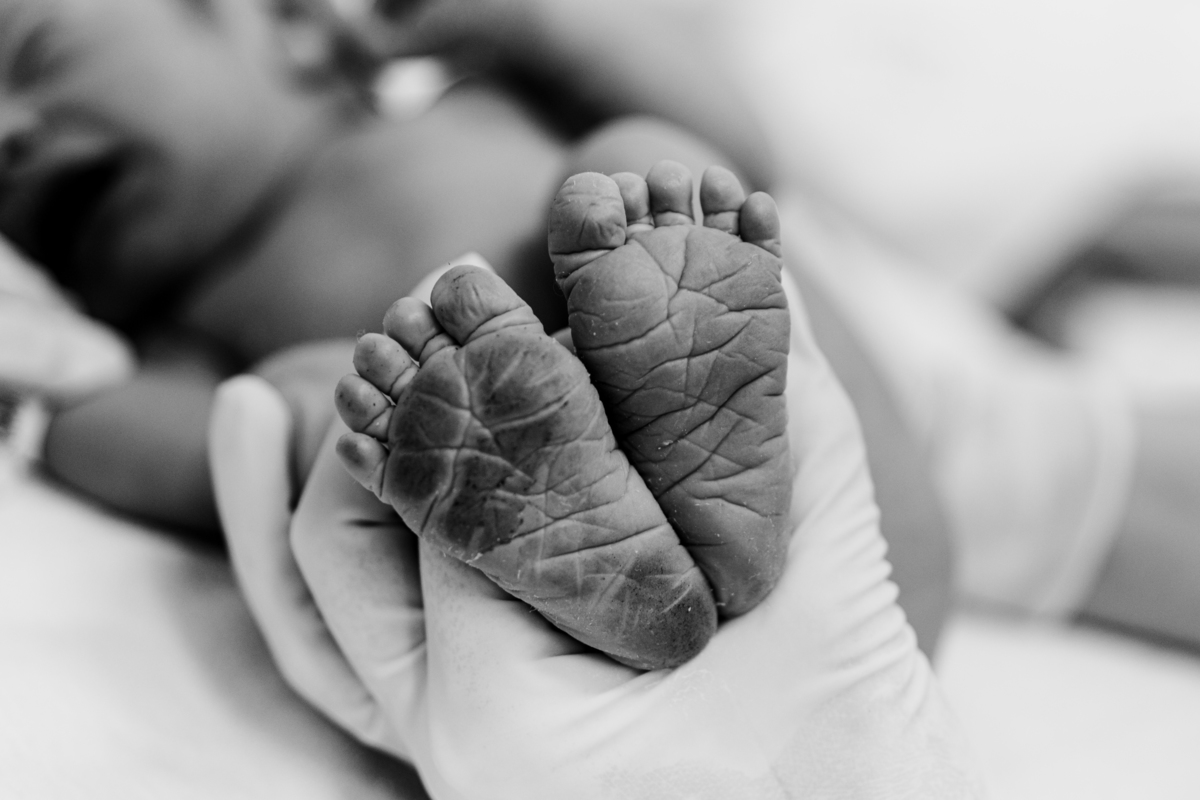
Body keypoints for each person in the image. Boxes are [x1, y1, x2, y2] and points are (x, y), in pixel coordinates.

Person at [0, 0, 952, 651]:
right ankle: (551, 500)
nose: (10, 138)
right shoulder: (187, 327)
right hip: (589, 614)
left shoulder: (475, 98)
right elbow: (113, 431)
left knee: (648, 170)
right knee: (284, 419)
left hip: (850, 516)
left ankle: (704, 437)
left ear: (278, 18)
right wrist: (55, 389)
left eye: (34, 60)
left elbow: (745, 151)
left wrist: (530, 19)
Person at [207, 167, 988, 795]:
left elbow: (750, 144)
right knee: (312, 407)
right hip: (513, 433)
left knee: (329, 417)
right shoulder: (176, 303)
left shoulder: (455, 98)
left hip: (512, 434)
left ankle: (648, 542)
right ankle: (706, 531)